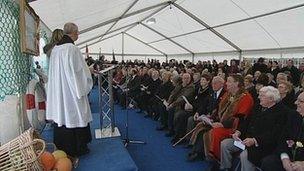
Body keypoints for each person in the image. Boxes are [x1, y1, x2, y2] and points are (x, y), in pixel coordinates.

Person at [46, 23, 93, 162]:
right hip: (72, 92)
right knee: (75, 115)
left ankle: (64, 147)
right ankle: (78, 148)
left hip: (60, 91)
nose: (78, 35)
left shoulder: (55, 49)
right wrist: (88, 73)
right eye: (77, 32)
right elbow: (78, 73)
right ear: (73, 33)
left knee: (63, 116)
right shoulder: (72, 49)